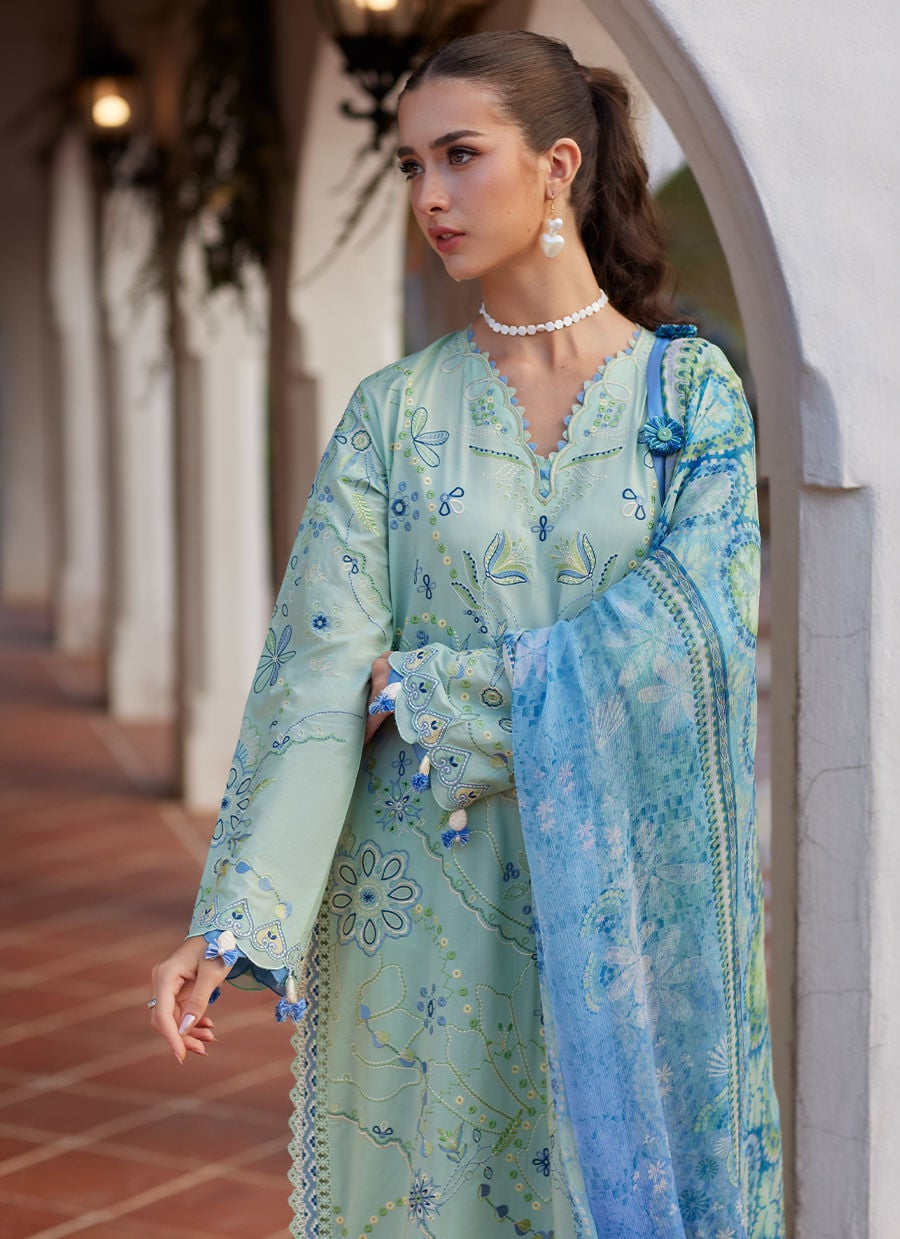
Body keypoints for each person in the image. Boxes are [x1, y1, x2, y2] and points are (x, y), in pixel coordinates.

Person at [150, 29, 784, 1239]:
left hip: (623, 918)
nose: (429, 196)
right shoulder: (392, 416)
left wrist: (436, 693)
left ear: (557, 166)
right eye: (410, 165)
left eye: (459, 155)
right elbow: (319, 680)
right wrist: (230, 923)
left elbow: (692, 642)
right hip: (421, 910)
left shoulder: (689, 401)